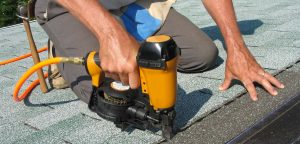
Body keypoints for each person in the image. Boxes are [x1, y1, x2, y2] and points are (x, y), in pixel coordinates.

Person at [35, 0, 284, 104]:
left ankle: (126, 32)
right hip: (68, 6)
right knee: (116, 95)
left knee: (203, 55)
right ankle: (64, 48)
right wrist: (111, 35)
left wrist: (236, 47)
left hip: (131, 3)